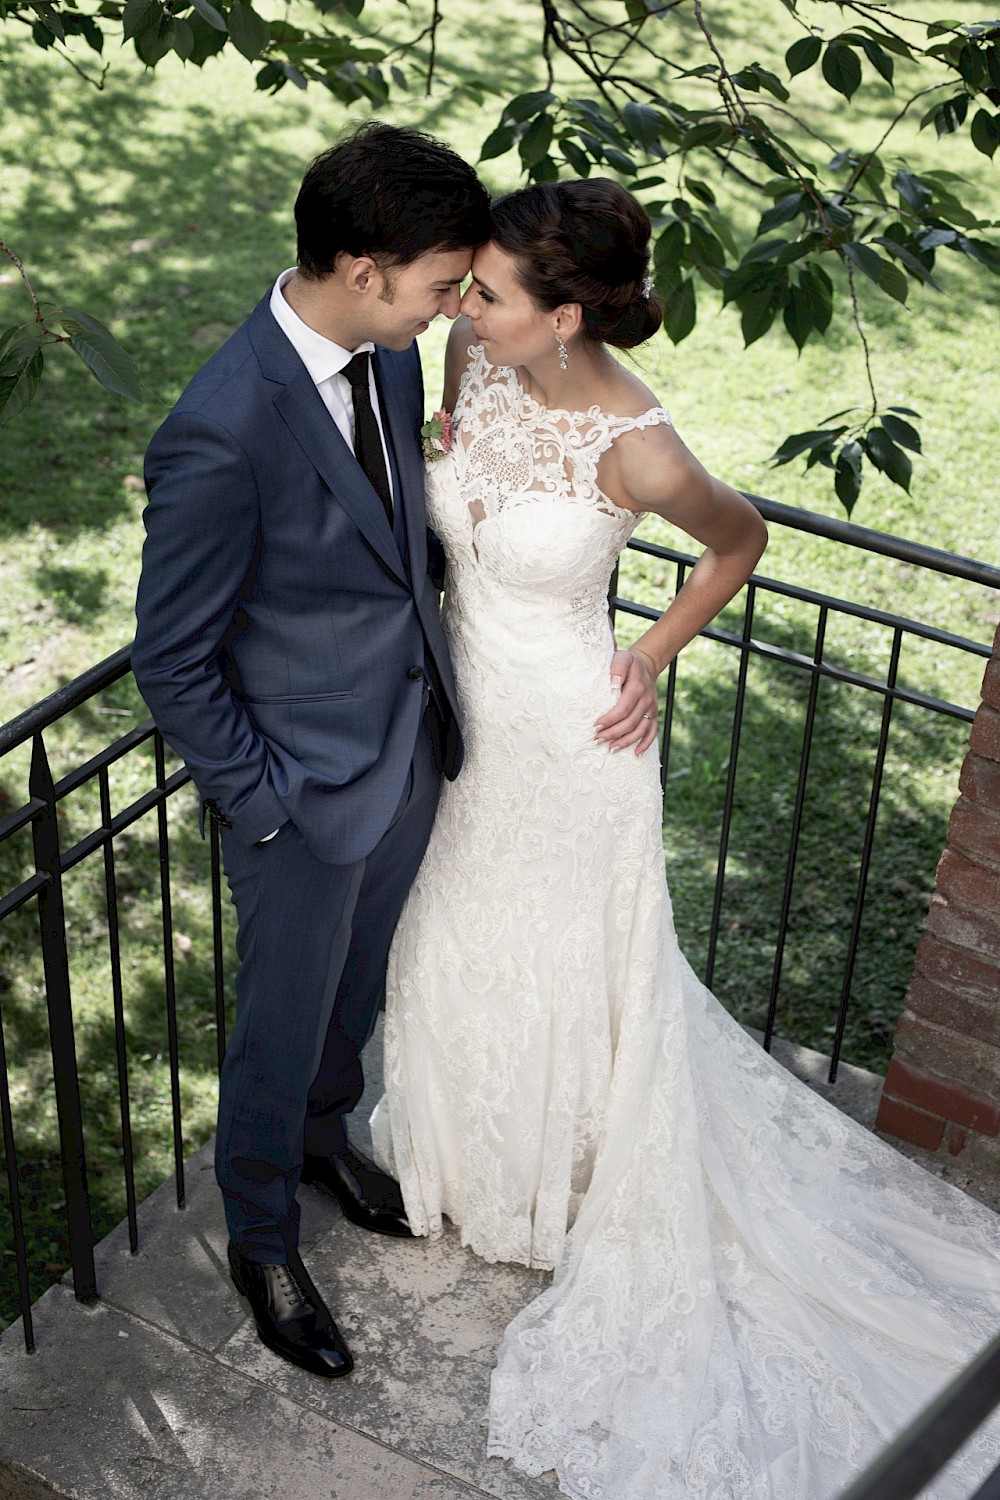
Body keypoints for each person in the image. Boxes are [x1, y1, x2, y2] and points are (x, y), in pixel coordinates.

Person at [371, 177, 1000, 1499]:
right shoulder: (472, 346)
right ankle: (463, 1165)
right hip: (465, 717)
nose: (459, 301)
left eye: (487, 289)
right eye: (468, 285)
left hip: (572, 739)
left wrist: (651, 648)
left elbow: (740, 540)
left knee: (563, 957)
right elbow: (445, 454)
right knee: (457, 927)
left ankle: (558, 1189)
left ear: (566, 314)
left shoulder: (639, 443)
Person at [132, 122, 490, 1382]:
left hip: (405, 745)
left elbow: (394, 550)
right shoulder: (219, 429)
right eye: (442, 283)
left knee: (356, 985)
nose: (454, 307)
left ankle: (327, 1138)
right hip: (297, 788)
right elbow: (168, 658)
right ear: (361, 265)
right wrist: (264, 804)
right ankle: (265, 1234)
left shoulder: (382, 354)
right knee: (278, 1023)